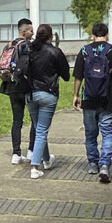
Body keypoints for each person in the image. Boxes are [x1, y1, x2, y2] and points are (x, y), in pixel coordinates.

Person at [72, 22, 112, 183]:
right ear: (107, 34)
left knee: (90, 133)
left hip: (88, 98)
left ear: (93, 35)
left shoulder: (84, 51)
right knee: (107, 132)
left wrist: (75, 95)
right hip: (107, 99)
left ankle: (93, 163)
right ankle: (104, 165)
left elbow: (78, 76)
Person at [0, 18, 49, 166]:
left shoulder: (8, 45)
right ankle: (31, 151)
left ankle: (16, 153)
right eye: (31, 30)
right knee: (35, 120)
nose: (33, 33)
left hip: (11, 86)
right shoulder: (27, 46)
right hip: (26, 86)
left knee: (17, 120)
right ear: (24, 31)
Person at [25, 24, 70, 179]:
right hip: (48, 94)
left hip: (30, 94)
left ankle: (47, 159)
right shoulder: (55, 52)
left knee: (38, 128)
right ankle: (35, 167)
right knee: (42, 131)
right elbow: (66, 76)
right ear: (50, 36)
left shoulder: (29, 50)